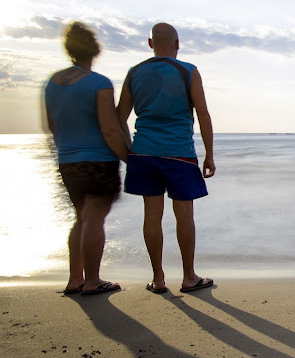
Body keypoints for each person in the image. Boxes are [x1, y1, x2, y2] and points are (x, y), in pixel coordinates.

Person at [117, 23, 215, 294]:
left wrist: (129, 152)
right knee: (184, 217)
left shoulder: (134, 72)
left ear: (150, 43)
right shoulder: (188, 71)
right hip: (179, 155)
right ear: (178, 43)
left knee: (152, 215)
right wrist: (209, 154)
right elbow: (203, 115)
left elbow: (119, 117)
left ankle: (158, 279)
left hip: (144, 153)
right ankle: (189, 277)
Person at [44, 21, 128, 296]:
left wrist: (65, 151)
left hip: (67, 160)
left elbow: (51, 125)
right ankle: (92, 281)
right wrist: (129, 157)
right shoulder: (99, 83)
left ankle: (74, 279)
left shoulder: (53, 83)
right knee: (94, 219)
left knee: (80, 217)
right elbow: (110, 129)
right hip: (97, 160)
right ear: (94, 51)